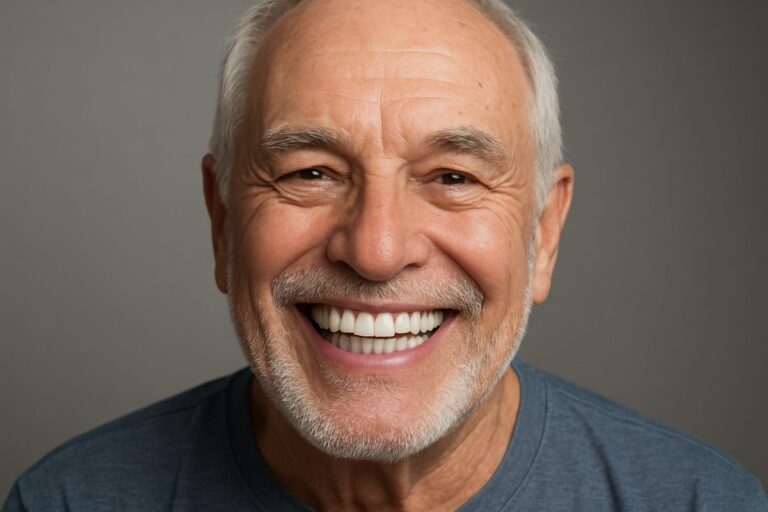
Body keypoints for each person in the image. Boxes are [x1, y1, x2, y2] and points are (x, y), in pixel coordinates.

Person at [3, 0, 766, 510]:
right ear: (222, 223)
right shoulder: (68, 501)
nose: (375, 250)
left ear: (543, 234)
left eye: (452, 178)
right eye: (310, 173)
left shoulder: (704, 503)